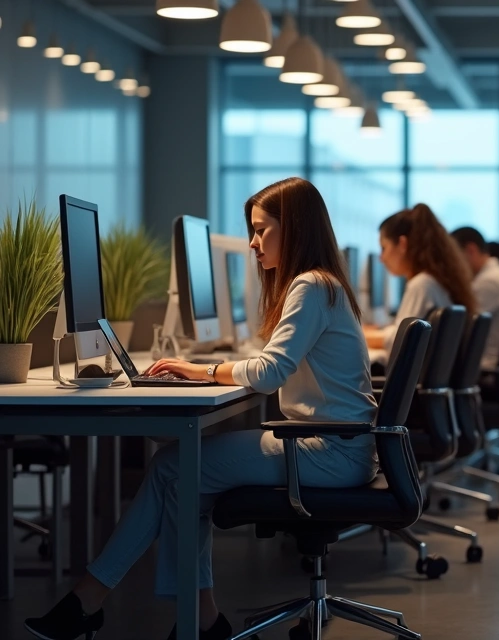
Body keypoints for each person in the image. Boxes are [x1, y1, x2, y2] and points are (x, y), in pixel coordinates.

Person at [25, 177, 379, 640]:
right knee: (182, 476)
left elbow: (271, 372)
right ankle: (191, 617)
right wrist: (208, 368)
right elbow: (275, 366)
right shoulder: (322, 284)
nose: (253, 243)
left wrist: (202, 371)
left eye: (261, 230)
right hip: (338, 446)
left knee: (174, 468)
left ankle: (98, 600)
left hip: (329, 452)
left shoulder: (311, 286)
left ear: (292, 228)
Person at [364, 204, 478, 351]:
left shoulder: (422, 285)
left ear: (402, 244)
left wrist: (362, 336)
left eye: (384, 248)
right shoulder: (435, 281)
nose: (381, 258)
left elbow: (399, 341)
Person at [451, 226, 499, 369]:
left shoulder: (489, 281)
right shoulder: (498, 274)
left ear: (470, 251)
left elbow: (458, 327)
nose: (454, 266)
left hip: (488, 367)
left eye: (454, 257)